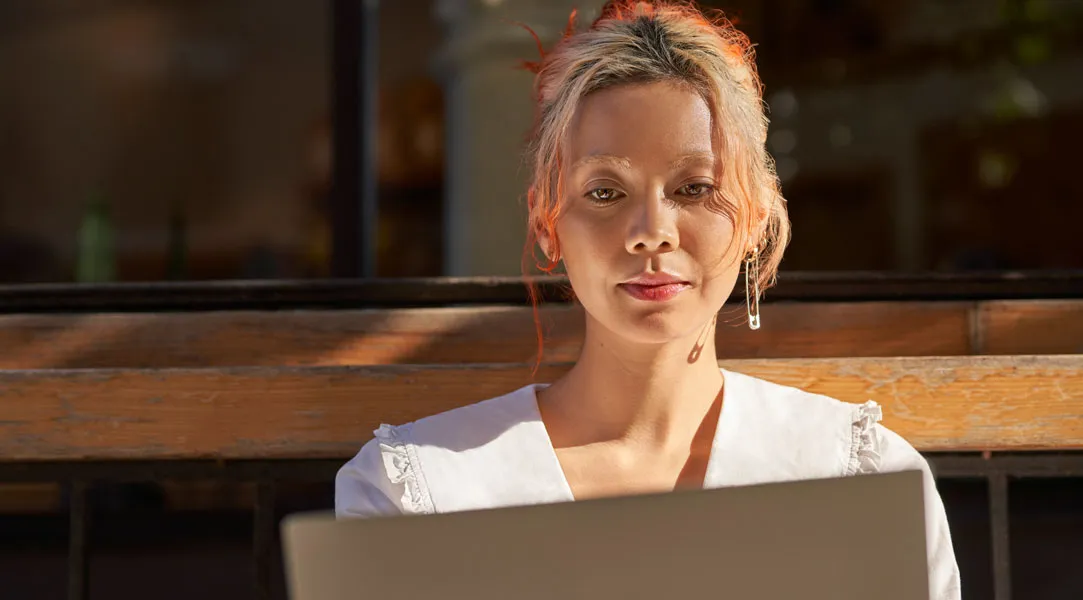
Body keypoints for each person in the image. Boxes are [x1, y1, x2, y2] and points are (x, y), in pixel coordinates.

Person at [336, 2, 961, 598]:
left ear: (755, 217)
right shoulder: (414, 489)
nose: (652, 230)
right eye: (606, 192)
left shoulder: (865, 477)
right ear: (547, 224)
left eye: (695, 188)